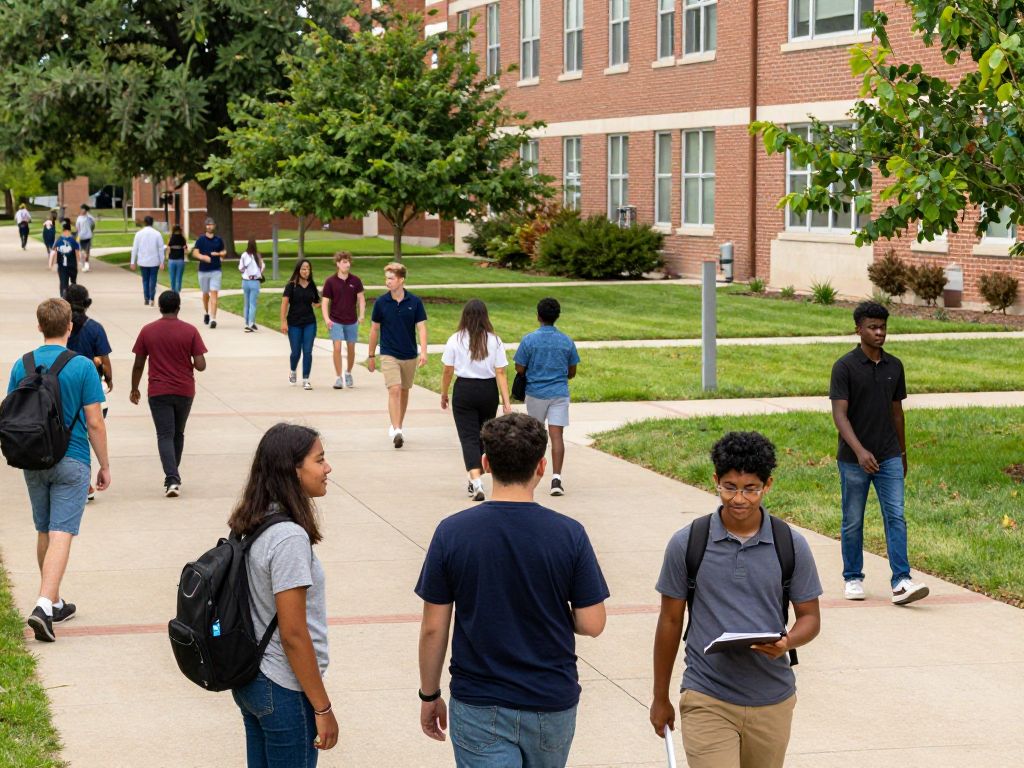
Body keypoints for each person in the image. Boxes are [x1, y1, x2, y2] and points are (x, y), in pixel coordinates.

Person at [416, 412, 609, 767]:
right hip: (551, 699)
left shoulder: (452, 532)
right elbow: (593, 623)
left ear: (486, 463)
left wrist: (429, 694)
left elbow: (433, 627)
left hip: (480, 700)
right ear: (541, 466)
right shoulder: (570, 534)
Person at [650, 431, 822, 768]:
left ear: (767, 485)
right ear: (715, 480)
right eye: (729, 487)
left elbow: (810, 619)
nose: (739, 499)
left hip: (773, 698)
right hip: (706, 695)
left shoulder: (791, 544)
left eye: (750, 489)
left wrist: (787, 642)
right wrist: (660, 698)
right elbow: (670, 621)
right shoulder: (688, 543)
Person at [227, 423, 338, 765]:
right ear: (294, 470)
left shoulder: (251, 522)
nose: (327, 468)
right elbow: (292, 633)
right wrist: (323, 706)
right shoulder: (288, 537)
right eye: (319, 460)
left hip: (251, 679)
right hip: (283, 686)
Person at [8, 298, 110, 642]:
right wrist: (105, 465)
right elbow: (95, 422)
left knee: (44, 529)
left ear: (39, 326)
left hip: (33, 459)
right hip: (72, 457)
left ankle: (53, 601)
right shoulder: (82, 366)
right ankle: (42, 606)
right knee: (62, 533)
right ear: (70, 327)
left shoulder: (21, 365)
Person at [830, 300, 929, 605]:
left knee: (896, 516)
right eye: (872, 327)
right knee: (853, 520)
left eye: (883, 327)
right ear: (858, 329)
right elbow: (840, 415)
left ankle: (901, 580)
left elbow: (897, 412)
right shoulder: (844, 367)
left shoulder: (894, 366)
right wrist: (859, 452)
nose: (879, 333)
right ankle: (853, 577)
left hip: (888, 455)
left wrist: (902, 452)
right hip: (853, 459)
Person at [129, 290, 207, 497]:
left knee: (164, 434)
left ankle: (172, 478)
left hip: (158, 390)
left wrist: (134, 388)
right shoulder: (190, 331)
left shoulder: (148, 331)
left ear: (160, 307)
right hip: (184, 390)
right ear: (178, 307)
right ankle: (173, 475)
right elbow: (201, 365)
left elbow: (138, 364)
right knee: (178, 433)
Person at [440, 299, 513, 502]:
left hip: (464, 389)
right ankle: (475, 477)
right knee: (482, 435)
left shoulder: (455, 339)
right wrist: (506, 402)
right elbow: (501, 372)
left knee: (468, 437)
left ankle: (476, 481)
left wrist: (444, 393)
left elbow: (448, 370)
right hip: (488, 390)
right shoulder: (494, 340)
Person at [513, 297, 580, 496]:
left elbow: (519, 367)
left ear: (538, 316)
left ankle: (533, 473)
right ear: (557, 317)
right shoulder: (566, 341)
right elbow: (572, 371)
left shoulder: (529, 340)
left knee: (535, 435)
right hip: (559, 393)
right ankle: (556, 478)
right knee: (557, 436)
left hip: (535, 393)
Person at [367, 262, 427, 448]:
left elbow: (422, 328)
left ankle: (398, 425)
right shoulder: (381, 302)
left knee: (404, 390)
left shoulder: (415, 302)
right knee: (394, 389)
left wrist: (423, 351)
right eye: (386, 278)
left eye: (391, 278)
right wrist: (371, 355)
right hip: (388, 353)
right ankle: (397, 429)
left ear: (401, 280)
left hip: (409, 354)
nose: (388, 282)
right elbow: (374, 330)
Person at [320, 251, 365, 389]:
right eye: (344, 262)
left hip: (351, 321)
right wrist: (327, 319)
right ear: (338, 264)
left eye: (348, 261)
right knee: (337, 348)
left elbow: (361, 299)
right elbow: (325, 302)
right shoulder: (330, 282)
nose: (347, 264)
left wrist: (361, 315)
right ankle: (338, 377)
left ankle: (348, 373)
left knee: (351, 349)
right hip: (336, 320)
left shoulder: (356, 281)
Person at [280, 259, 320, 390]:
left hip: (309, 322)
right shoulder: (291, 286)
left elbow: (316, 302)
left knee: (307, 351)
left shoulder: (312, 285)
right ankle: (292, 371)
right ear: (298, 270)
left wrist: (322, 302)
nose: (306, 271)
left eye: (308, 268)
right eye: (303, 268)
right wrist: (283, 322)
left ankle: (306, 379)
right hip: (294, 323)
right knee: (296, 352)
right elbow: (284, 303)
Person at [192, 217, 227, 328]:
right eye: (207, 224)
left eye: (211, 224)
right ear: (205, 226)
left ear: (214, 226)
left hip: (216, 270)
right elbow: (195, 253)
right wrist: (203, 257)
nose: (209, 226)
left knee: (214, 293)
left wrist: (220, 255)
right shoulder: (201, 240)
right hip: (203, 271)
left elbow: (224, 251)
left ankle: (213, 319)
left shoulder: (219, 240)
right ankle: (206, 313)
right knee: (205, 293)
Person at [130, 215, 166, 307]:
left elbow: (135, 248)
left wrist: (132, 262)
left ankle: (146, 297)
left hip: (143, 261)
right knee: (153, 280)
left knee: (145, 280)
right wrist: (162, 262)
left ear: (144, 222)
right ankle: (152, 298)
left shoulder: (139, 234)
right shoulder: (157, 234)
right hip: (154, 261)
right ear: (152, 223)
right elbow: (161, 249)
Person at [238, 238, 265, 332]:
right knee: (253, 303)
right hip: (255, 281)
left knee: (246, 304)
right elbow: (262, 267)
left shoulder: (244, 255)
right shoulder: (257, 255)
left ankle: (247, 323)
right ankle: (250, 324)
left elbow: (240, 268)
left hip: (245, 281)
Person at [48, 221, 80, 298]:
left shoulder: (60, 240)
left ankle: (65, 296)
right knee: (68, 282)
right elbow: (77, 253)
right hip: (69, 265)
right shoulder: (73, 240)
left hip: (66, 266)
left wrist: (52, 264)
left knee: (65, 282)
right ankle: (65, 296)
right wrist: (78, 263)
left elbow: (54, 252)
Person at [166, 225, 189, 294]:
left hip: (172, 260)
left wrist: (167, 256)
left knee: (172, 277)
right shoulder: (182, 239)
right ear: (180, 230)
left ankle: (173, 290)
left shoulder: (170, 238)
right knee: (179, 277)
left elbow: (168, 249)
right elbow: (185, 250)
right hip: (180, 260)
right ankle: (177, 291)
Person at [75, 204, 96, 272]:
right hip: (81, 237)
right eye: (81, 209)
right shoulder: (79, 218)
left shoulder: (89, 217)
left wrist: (91, 231)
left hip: (88, 236)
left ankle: (87, 265)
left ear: (86, 210)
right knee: (82, 252)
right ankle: (83, 264)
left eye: (83, 209)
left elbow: (93, 225)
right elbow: (77, 228)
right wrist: (78, 235)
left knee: (87, 251)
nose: (81, 210)